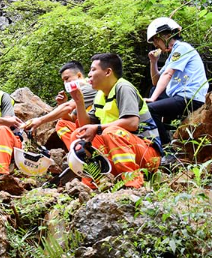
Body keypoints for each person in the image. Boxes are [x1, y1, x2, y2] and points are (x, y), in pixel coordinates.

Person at [54, 53, 162, 188]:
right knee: (78, 135)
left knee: (112, 131)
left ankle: (133, 183)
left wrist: (98, 128)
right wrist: (79, 102)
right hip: (123, 148)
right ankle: (95, 184)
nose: (89, 75)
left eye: (93, 70)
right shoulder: (100, 95)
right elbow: (86, 127)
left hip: (147, 153)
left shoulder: (123, 88)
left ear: (108, 72)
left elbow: (132, 123)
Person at [145, 17, 208, 144]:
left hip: (190, 97)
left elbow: (168, 74)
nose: (156, 45)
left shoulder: (182, 48)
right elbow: (156, 82)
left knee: (150, 109)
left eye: (156, 40)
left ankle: (165, 146)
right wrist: (153, 62)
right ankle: (166, 133)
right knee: (153, 92)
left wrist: (152, 99)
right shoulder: (172, 56)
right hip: (181, 96)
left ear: (167, 36)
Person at [25, 61, 97, 131]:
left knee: (62, 125)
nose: (65, 83)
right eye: (63, 81)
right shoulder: (81, 90)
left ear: (79, 76)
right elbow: (72, 119)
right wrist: (61, 104)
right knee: (62, 124)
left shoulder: (88, 87)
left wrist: (40, 120)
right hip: (89, 126)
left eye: (67, 78)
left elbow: (68, 106)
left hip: (98, 127)